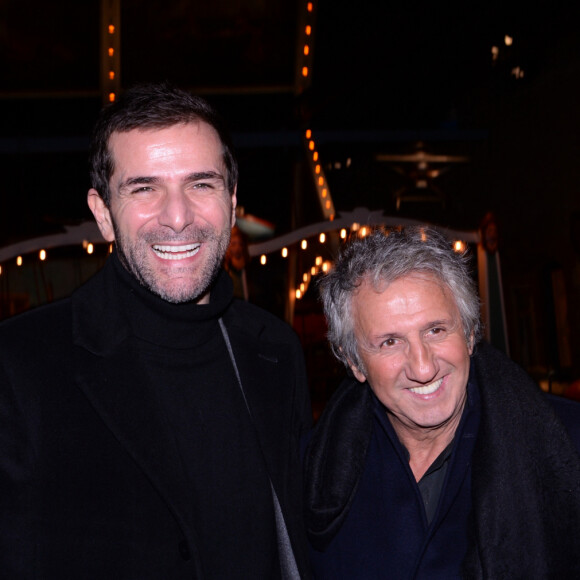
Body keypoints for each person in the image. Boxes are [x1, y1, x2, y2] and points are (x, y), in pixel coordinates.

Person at [0, 83, 311, 579]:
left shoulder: (273, 350)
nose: (178, 216)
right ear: (103, 213)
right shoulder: (21, 365)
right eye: (145, 188)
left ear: (231, 201)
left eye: (201, 184)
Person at [303, 226, 580, 579]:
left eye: (435, 330)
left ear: (468, 333)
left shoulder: (568, 444)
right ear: (354, 362)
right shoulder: (312, 469)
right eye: (390, 342)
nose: (423, 367)